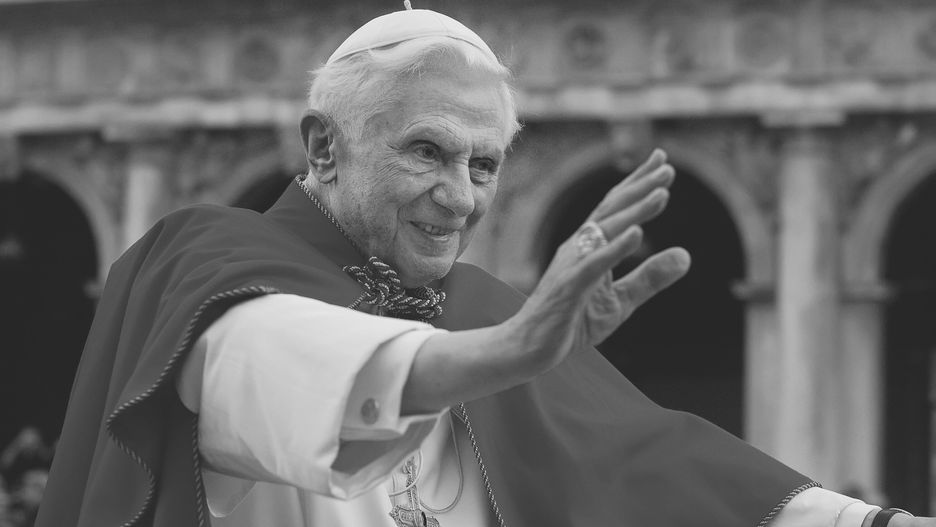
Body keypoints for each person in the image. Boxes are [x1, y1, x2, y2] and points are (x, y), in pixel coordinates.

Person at [36, 6, 932, 527]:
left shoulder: (485, 310)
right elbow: (275, 364)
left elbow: (655, 465)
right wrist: (501, 353)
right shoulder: (210, 263)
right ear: (324, 146)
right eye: (427, 151)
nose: (459, 197)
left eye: (485, 164)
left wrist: (877, 521)